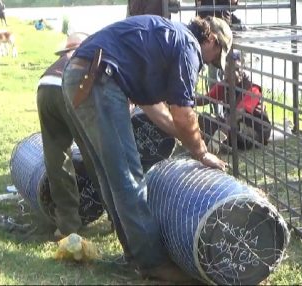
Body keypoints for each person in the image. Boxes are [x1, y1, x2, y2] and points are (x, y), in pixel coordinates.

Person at [61, 15, 231, 282]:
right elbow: (184, 113)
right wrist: (201, 152)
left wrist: (188, 141)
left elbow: (158, 111)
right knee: (129, 177)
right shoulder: (188, 45)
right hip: (98, 80)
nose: (209, 61)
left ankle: (134, 254)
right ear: (209, 38)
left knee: (111, 175)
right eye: (215, 54)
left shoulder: (163, 39)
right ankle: (153, 264)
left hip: (77, 76)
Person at [37, 32, 100, 239]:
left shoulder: (61, 59)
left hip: (45, 87)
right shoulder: (90, 56)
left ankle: (67, 224)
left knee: (56, 157)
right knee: (94, 153)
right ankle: (118, 218)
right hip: (68, 87)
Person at [196, 50, 271, 153]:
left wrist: (219, 135)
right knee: (204, 118)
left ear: (242, 70)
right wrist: (182, 99)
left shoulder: (252, 89)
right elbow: (203, 100)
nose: (231, 74)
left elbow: (238, 114)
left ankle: (221, 145)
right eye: (228, 71)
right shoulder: (225, 85)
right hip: (233, 124)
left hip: (253, 131)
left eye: (235, 70)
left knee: (231, 126)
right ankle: (214, 144)